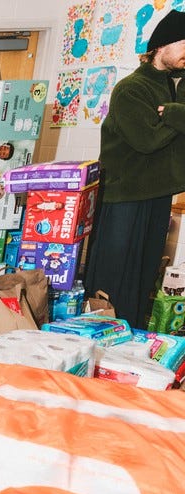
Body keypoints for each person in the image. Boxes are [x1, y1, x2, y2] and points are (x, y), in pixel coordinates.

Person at [85, 9, 185, 329]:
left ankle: (131, 345)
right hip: (124, 196)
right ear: (161, 45)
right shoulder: (132, 88)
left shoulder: (175, 87)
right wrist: (177, 116)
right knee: (115, 278)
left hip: (157, 194)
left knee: (142, 277)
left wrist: (171, 112)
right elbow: (147, 140)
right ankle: (101, 337)